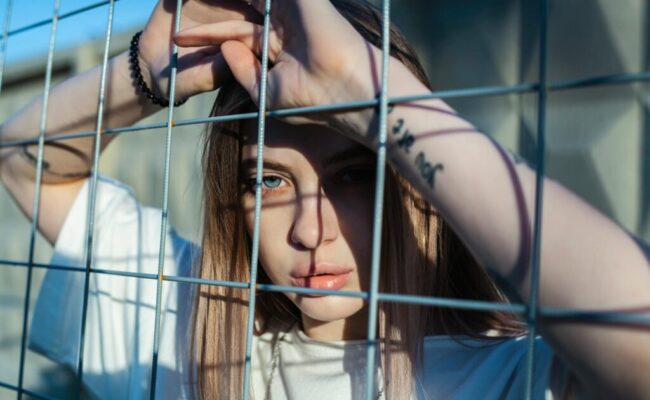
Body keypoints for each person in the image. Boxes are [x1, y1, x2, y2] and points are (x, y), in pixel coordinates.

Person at [1, 0, 649, 399]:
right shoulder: (192, 334)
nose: (310, 232)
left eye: (353, 175)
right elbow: (22, 163)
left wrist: (365, 91)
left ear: (412, 186)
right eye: (269, 181)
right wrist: (147, 72)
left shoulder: (516, 376)